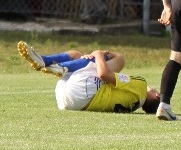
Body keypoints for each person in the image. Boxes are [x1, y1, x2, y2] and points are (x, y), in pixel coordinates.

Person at [17, 41, 161, 114]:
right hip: (67, 103)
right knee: (76, 55)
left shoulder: (141, 87)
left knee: (119, 59)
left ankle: (54, 64)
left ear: (156, 95)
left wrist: (99, 54)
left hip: (82, 90)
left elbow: (104, 74)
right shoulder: (132, 105)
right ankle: (50, 63)